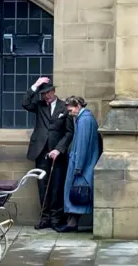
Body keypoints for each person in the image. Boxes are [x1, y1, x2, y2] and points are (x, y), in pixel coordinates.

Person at [22, 77, 74, 230]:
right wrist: (35, 85)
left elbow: (69, 132)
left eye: (48, 92)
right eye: (43, 93)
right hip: (41, 152)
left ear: (54, 91)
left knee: (56, 186)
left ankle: (56, 219)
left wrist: (59, 149)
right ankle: (44, 218)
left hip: (58, 153)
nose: (46, 96)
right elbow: (24, 102)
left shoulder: (64, 107)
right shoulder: (39, 106)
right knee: (42, 186)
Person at [55, 96, 101, 233]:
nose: (70, 113)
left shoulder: (85, 120)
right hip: (82, 163)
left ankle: (71, 223)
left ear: (78, 106)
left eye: (71, 110)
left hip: (81, 164)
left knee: (76, 193)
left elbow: (81, 145)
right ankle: (71, 222)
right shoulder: (84, 118)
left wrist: (78, 166)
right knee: (75, 193)